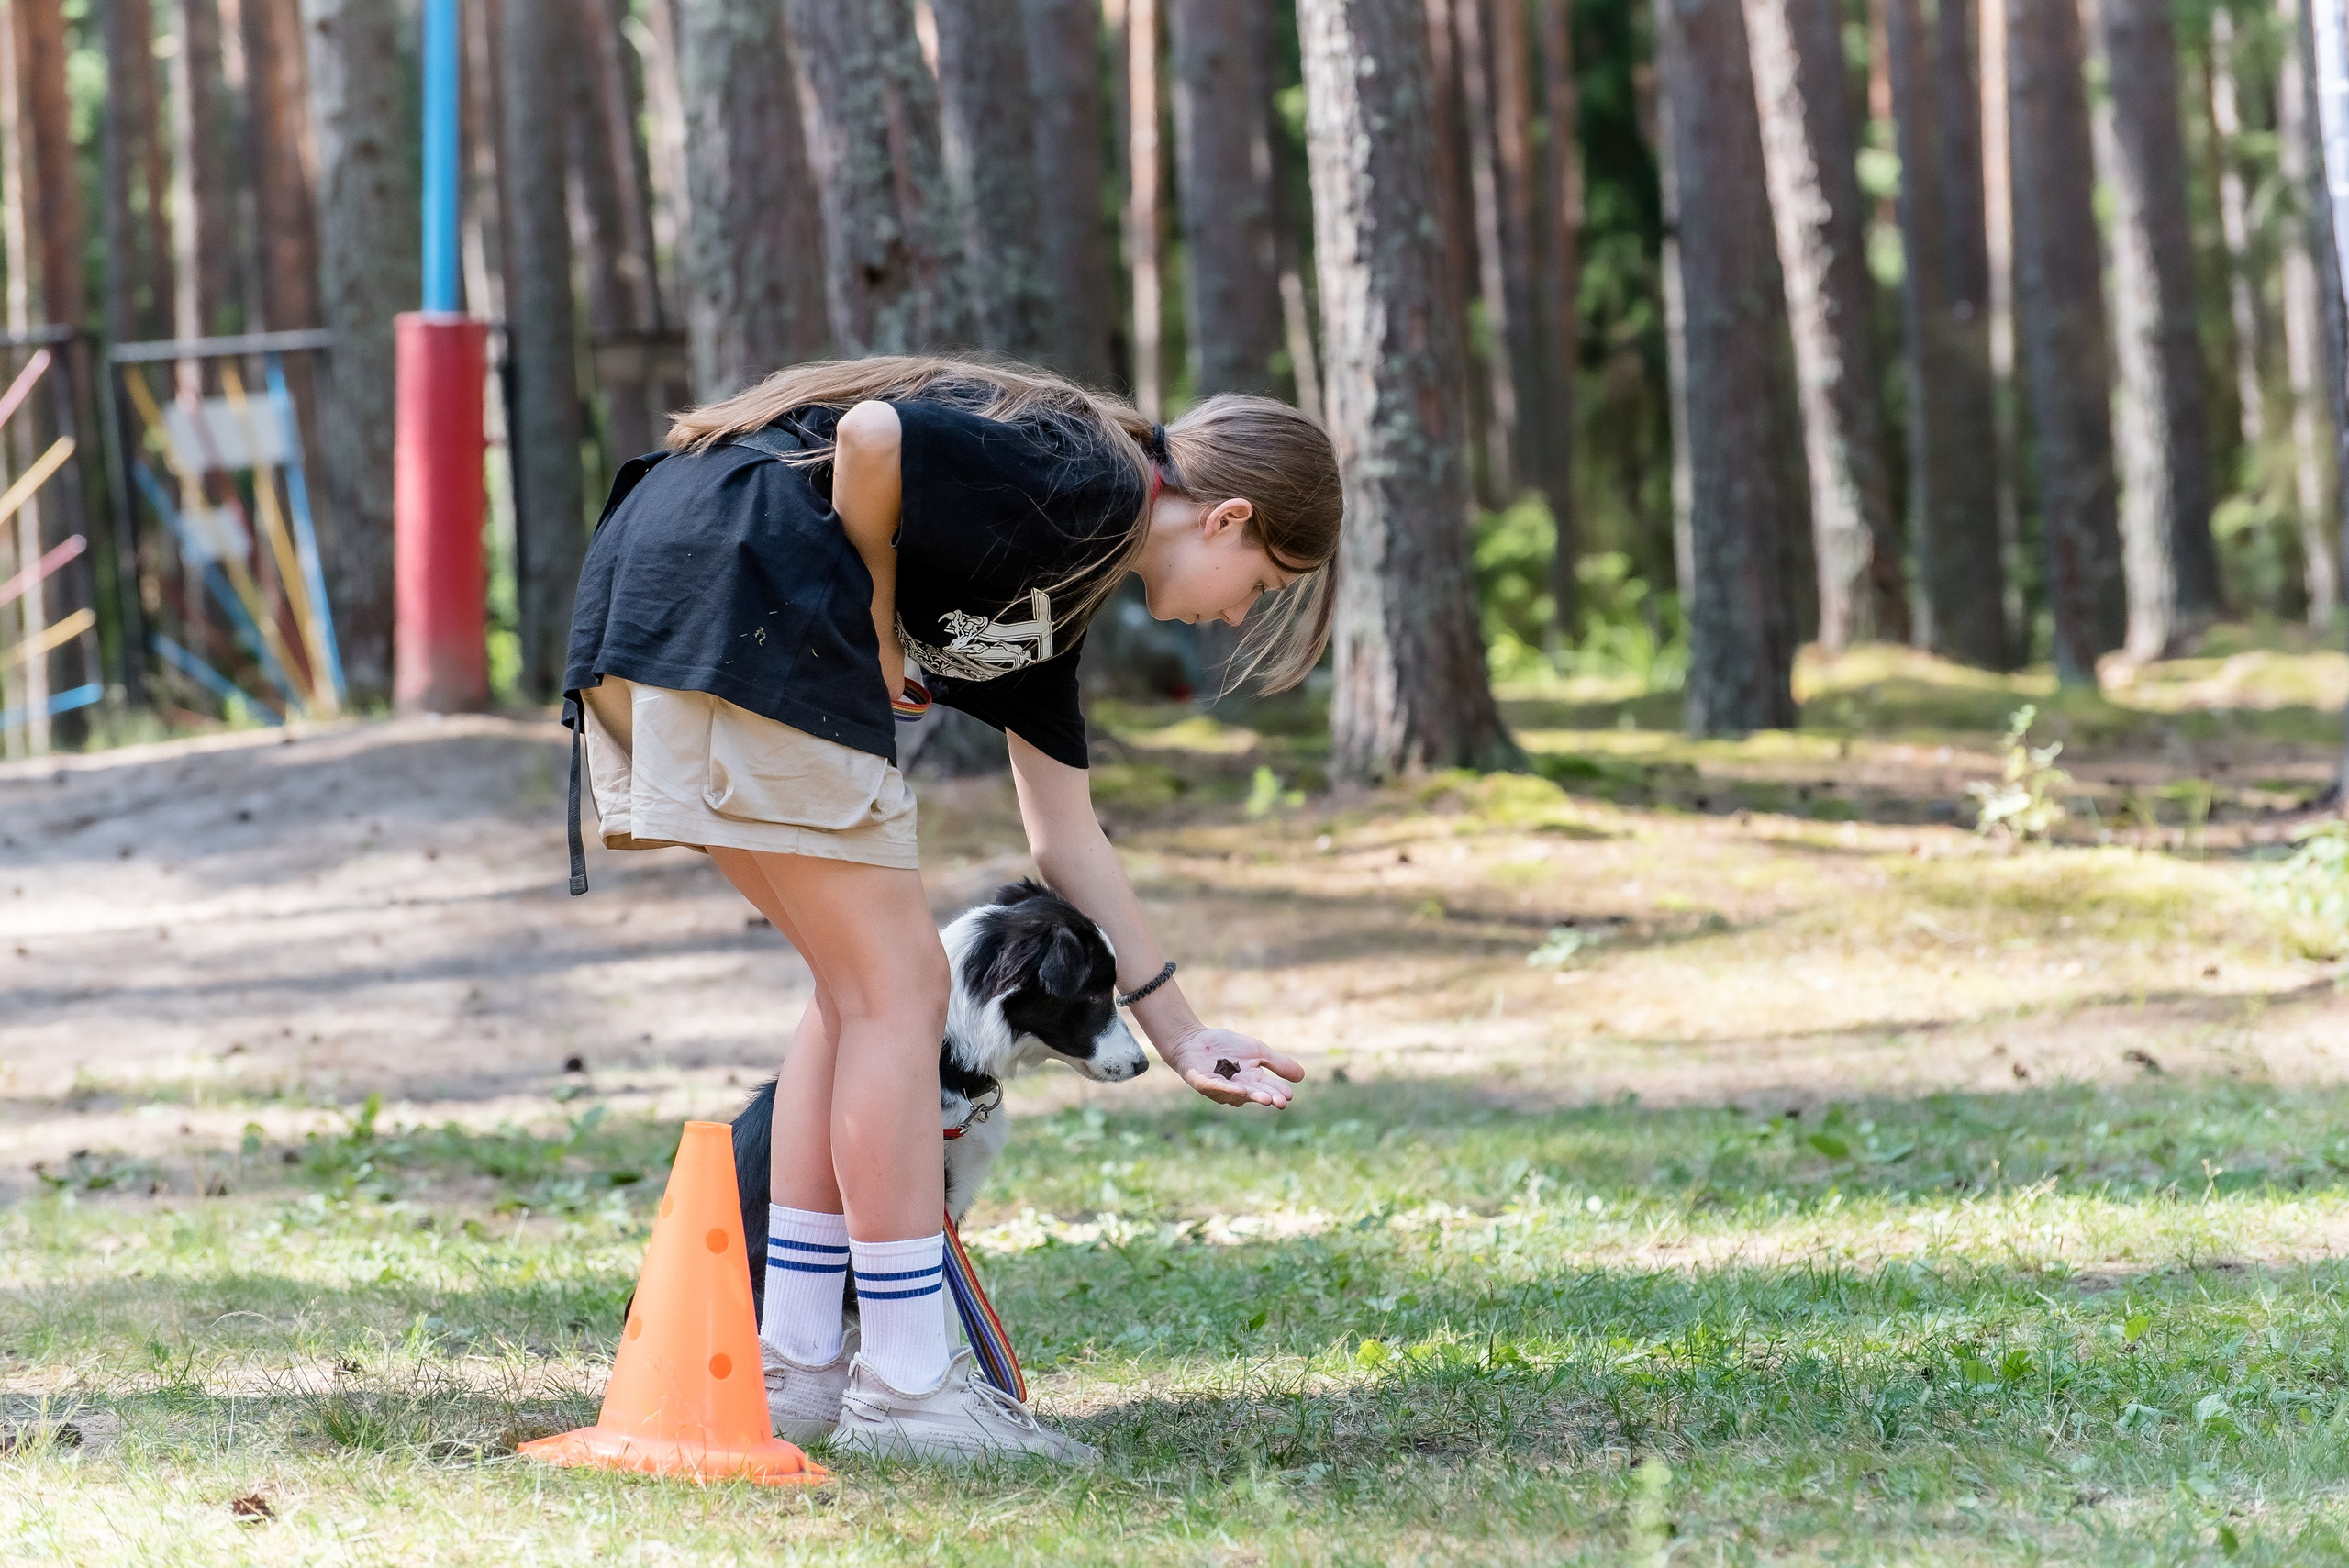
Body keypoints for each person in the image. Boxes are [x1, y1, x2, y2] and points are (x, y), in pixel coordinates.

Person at [561, 356, 1343, 1463]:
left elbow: (1065, 838)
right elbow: (874, 436)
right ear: (1227, 517)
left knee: (855, 991)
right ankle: (908, 1386)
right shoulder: (1093, 483)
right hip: (742, 595)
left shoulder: (1059, 589)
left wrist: (1181, 1033)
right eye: (1260, 581)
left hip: (661, 603)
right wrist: (878, 619)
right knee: (903, 991)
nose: (1238, 612)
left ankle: (797, 1364)